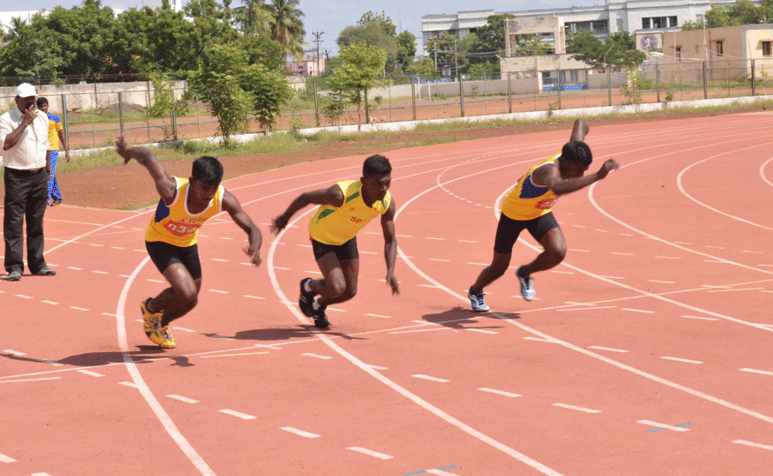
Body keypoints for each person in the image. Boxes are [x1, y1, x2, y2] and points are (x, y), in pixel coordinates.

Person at [115, 136, 263, 348]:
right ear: (192, 181)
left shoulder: (222, 199)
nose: (209, 194)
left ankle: (160, 323)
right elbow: (148, 157)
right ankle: (150, 307)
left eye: (214, 188)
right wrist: (128, 151)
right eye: (204, 187)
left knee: (191, 300)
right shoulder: (172, 191)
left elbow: (252, 228)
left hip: (186, 244)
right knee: (187, 292)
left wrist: (255, 248)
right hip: (159, 241)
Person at [467, 118, 620, 312]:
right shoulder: (548, 171)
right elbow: (557, 187)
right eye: (579, 171)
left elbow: (580, 124)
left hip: (539, 211)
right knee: (499, 267)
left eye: (585, 171)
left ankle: (525, 273)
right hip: (514, 214)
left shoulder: (573, 152)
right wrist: (597, 175)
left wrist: (584, 129)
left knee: (557, 252)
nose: (581, 175)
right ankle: (475, 291)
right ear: (564, 162)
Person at [271, 155, 399, 329]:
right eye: (378, 183)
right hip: (322, 236)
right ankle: (308, 287)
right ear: (363, 181)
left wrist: (390, 270)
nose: (384, 189)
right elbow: (306, 197)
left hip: (346, 238)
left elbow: (390, 240)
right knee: (337, 287)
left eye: (387, 183)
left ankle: (318, 306)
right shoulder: (340, 195)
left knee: (350, 292)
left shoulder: (386, 203)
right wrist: (284, 218)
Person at [1, 83, 55, 281]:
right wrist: (24, 122)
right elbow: (6, 144)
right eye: (26, 99)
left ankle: (38, 265)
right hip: (17, 176)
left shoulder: (43, 118)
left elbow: (46, 145)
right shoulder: (6, 119)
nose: (31, 102)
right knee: (14, 223)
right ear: (17, 100)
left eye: (33, 98)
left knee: (36, 222)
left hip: (39, 175)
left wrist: (48, 169)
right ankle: (14, 266)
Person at [36, 97, 71, 206]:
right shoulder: (36, 119)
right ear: (38, 107)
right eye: (41, 106)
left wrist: (66, 150)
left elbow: (61, 135)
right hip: (41, 150)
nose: (43, 108)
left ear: (48, 106)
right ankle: (58, 198)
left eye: (45, 106)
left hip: (52, 151)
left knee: (49, 173)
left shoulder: (55, 119)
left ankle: (45, 200)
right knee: (49, 173)